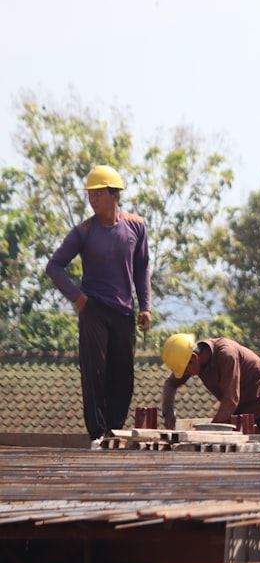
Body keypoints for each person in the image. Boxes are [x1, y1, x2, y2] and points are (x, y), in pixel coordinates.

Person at [46, 165, 152, 442]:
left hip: (124, 311)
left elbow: (141, 267)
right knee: (95, 374)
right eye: (90, 195)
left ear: (115, 195)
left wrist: (146, 306)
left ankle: (114, 431)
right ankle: (98, 434)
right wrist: (78, 298)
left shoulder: (136, 227)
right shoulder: (84, 231)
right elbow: (54, 266)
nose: (92, 200)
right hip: (93, 308)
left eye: (98, 194)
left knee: (124, 375)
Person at [159, 334, 260, 434]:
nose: (186, 374)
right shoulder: (191, 360)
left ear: (194, 358)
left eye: (185, 370)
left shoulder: (227, 354)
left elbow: (231, 401)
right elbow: (170, 384)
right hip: (239, 409)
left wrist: (209, 431)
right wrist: (168, 410)